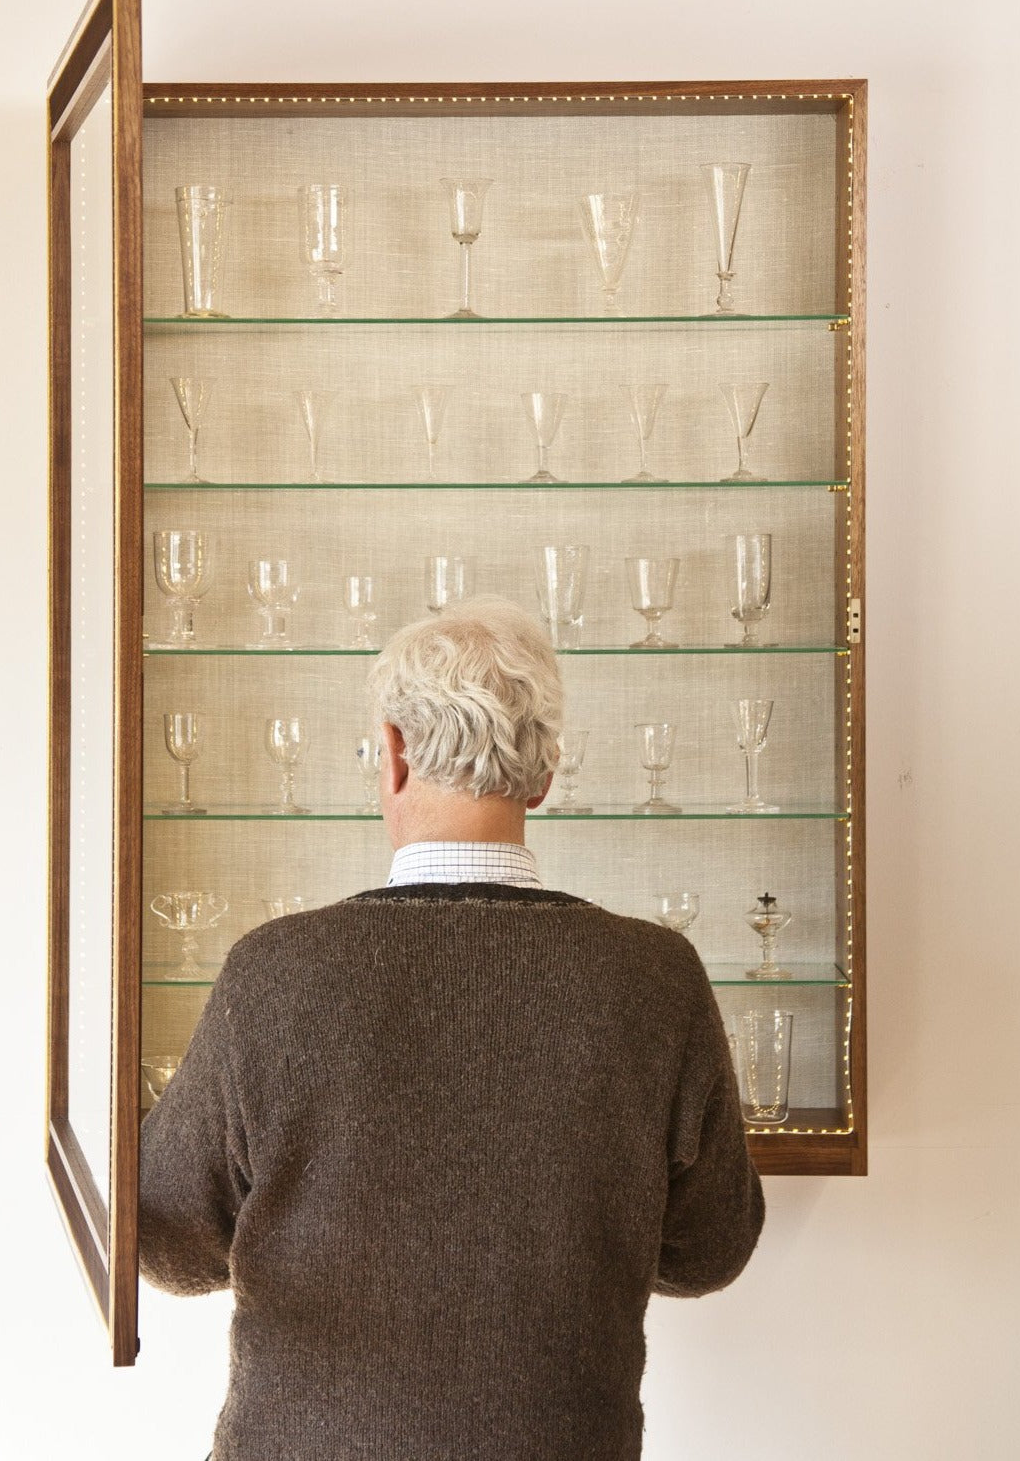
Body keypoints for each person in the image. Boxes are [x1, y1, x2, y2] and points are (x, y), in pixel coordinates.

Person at [139, 596, 764, 1461]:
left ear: (393, 754)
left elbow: (166, 1238)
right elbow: (711, 1250)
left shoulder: (274, 972)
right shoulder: (656, 979)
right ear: (543, 775)